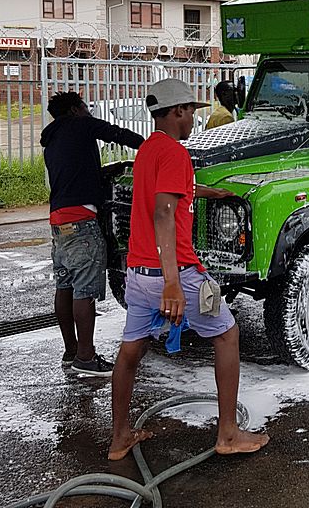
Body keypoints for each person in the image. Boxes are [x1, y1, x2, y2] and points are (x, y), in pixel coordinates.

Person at [108, 77, 269, 461]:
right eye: (191, 112)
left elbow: (169, 192)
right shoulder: (175, 153)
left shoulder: (149, 149)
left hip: (138, 276)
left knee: (130, 352)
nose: (194, 118)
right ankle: (228, 434)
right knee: (227, 334)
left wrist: (211, 192)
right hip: (177, 274)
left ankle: (119, 438)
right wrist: (172, 283)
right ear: (178, 111)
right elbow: (164, 213)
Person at [41, 91, 145, 377]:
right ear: (75, 109)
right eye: (85, 108)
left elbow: (75, 174)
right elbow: (117, 134)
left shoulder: (52, 140)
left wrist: (102, 172)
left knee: (65, 286)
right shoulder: (81, 124)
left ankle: (71, 352)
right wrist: (151, 146)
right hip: (82, 222)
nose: (88, 112)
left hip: (58, 222)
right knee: (84, 290)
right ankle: (86, 357)